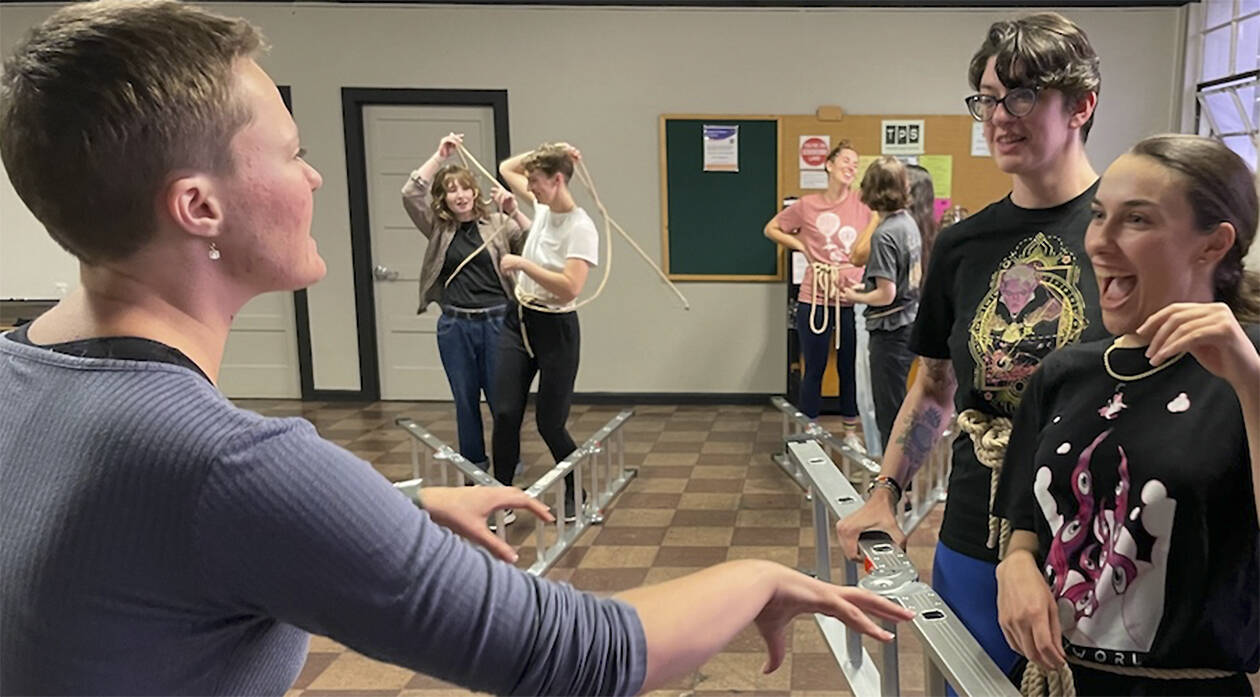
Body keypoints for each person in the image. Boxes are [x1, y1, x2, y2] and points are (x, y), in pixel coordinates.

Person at [0, 3, 915, 695]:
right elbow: (572, 651)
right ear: (199, 206)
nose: (315, 174)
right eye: (293, 148)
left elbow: (163, 541)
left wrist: (394, 502)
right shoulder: (232, 468)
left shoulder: (18, 371)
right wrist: (757, 573)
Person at [836, 11, 1108, 677]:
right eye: (987, 98)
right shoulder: (961, 244)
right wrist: (886, 490)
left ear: (1082, 104)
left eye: (1022, 94)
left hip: (1098, 532)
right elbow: (934, 385)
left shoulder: (1123, 234)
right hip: (975, 529)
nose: (999, 115)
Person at [994, 134, 1260, 695]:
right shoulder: (1067, 371)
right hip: (1056, 682)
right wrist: (1015, 567)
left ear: (1213, 244)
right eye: (1098, 216)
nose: (1100, 243)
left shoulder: (1249, 368)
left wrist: (1249, 381)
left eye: (1136, 220)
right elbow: (1024, 518)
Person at [401, 133, 528, 485]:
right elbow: (411, 194)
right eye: (451, 190)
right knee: (464, 400)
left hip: (498, 323)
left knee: (504, 403)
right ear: (443, 197)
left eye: (464, 188)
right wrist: (439, 155)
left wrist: (514, 209)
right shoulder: (439, 228)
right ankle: (474, 468)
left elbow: (534, 244)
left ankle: (507, 463)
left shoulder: (498, 225)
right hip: (456, 325)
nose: (459, 195)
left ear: (475, 191)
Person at [494, 143, 596, 522]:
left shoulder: (581, 227)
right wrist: (552, 147)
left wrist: (523, 263)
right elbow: (507, 167)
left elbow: (570, 287)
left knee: (549, 423)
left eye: (536, 182)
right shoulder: (541, 207)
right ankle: (501, 496)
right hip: (518, 320)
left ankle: (575, 491)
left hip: (557, 327)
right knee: (505, 412)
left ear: (557, 181)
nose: (530, 188)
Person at [765, 141, 875, 449]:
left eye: (856, 163)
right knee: (813, 367)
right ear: (829, 165)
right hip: (814, 297)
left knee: (849, 367)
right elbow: (772, 228)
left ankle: (851, 431)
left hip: (853, 299)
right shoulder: (807, 205)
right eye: (846, 161)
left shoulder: (863, 204)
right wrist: (801, 246)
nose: (851, 167)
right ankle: (809, 427)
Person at [839, 156, 922, 449]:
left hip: (890, 332)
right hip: (909, 321)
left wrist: (854, 295)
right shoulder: (908, 223)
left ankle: (895, 487)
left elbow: (885, 294)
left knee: (889, 413)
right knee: (899, 405)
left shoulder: (884, 235)